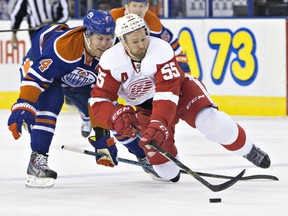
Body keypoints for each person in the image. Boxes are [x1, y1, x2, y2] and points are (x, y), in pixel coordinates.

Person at [88, 14, 271, 182]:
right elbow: (99, 101)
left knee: (211, 122)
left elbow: (167, 94)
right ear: (123, 43)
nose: (142, 45)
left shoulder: (161, 49)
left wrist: (159, 123)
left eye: (144, 38)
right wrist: (114, 115)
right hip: (145, 110)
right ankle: (159, 166)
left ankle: (248, 150)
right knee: (167, 174)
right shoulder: (111, 61)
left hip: (182, 93)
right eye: (135, 42)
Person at [7, 9, 147, 188]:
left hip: (79, 80)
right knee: (50, 104)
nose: (105, 44)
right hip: (46, 70)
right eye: (100, 39)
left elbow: (102, 100)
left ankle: (144, 156)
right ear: (87, 35)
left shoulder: (114, 53)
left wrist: (101, 136)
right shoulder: (65, 47)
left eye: (108, 38)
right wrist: (24, 103)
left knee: (113, 114)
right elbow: (37, 77)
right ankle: (37, 160)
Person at [109, 0, 190, 73]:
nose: (137, 10)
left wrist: (184, 71)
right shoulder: (112, 17)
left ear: (146, 7)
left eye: (141, 6)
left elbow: (174, 48)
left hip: (141, 68)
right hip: (117, 65)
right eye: (134, 5)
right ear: (127, 6)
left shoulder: (153, 22)